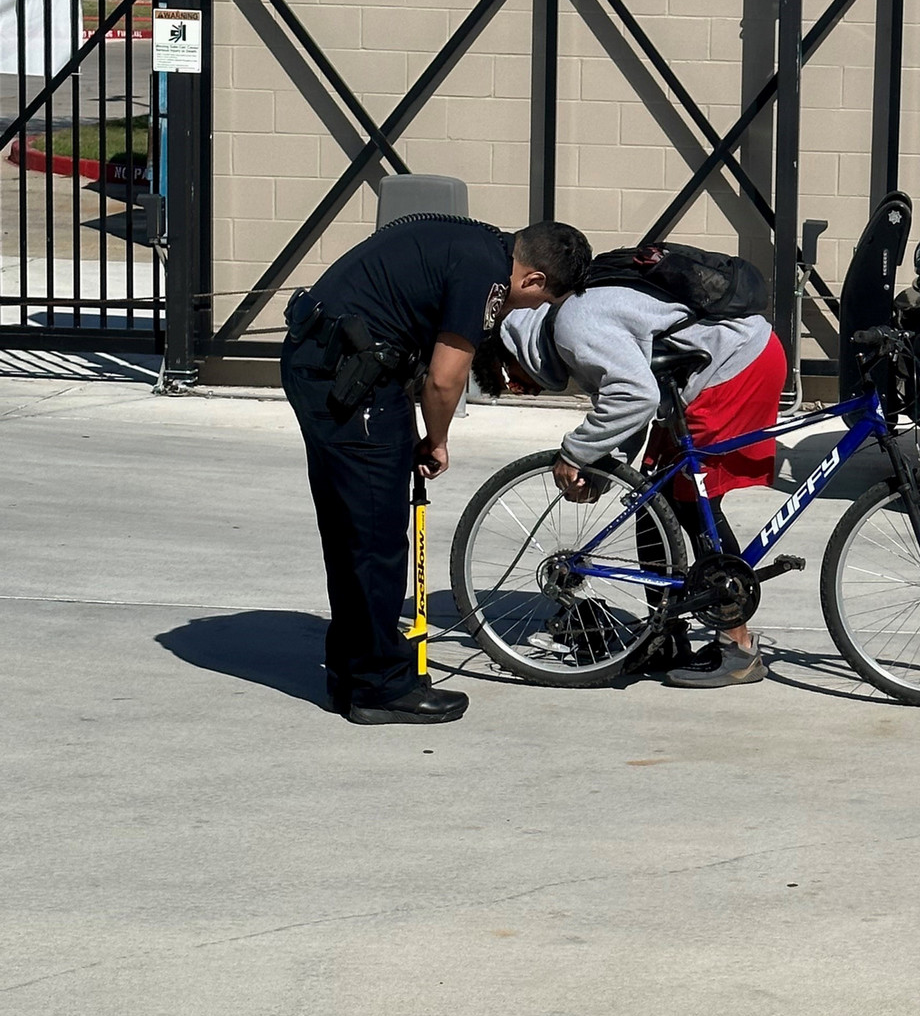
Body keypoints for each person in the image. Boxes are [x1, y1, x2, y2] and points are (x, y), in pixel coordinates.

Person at [281, 212, 552, 724]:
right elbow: (446, 380)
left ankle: (354, 671)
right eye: (540, 300)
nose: (530, 307)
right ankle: (380, 685)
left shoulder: (479, 244)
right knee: (375, 537)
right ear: (533, 279)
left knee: (352, 530)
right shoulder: (487, 275)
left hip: (330, 364)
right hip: (348, 380)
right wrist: (438, 439)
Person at [496, 222, 787, 688]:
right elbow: (628, 403)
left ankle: (738, 646)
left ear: (521, 349)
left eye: (507, 368)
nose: (513, 384)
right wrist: (602, 464)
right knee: (653, 503)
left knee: (693, 505)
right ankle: (663, 634)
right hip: (720, 366)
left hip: (735, 365)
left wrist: (575, 454)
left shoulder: (572, 324)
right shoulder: (578, 314)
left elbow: (634, 398)